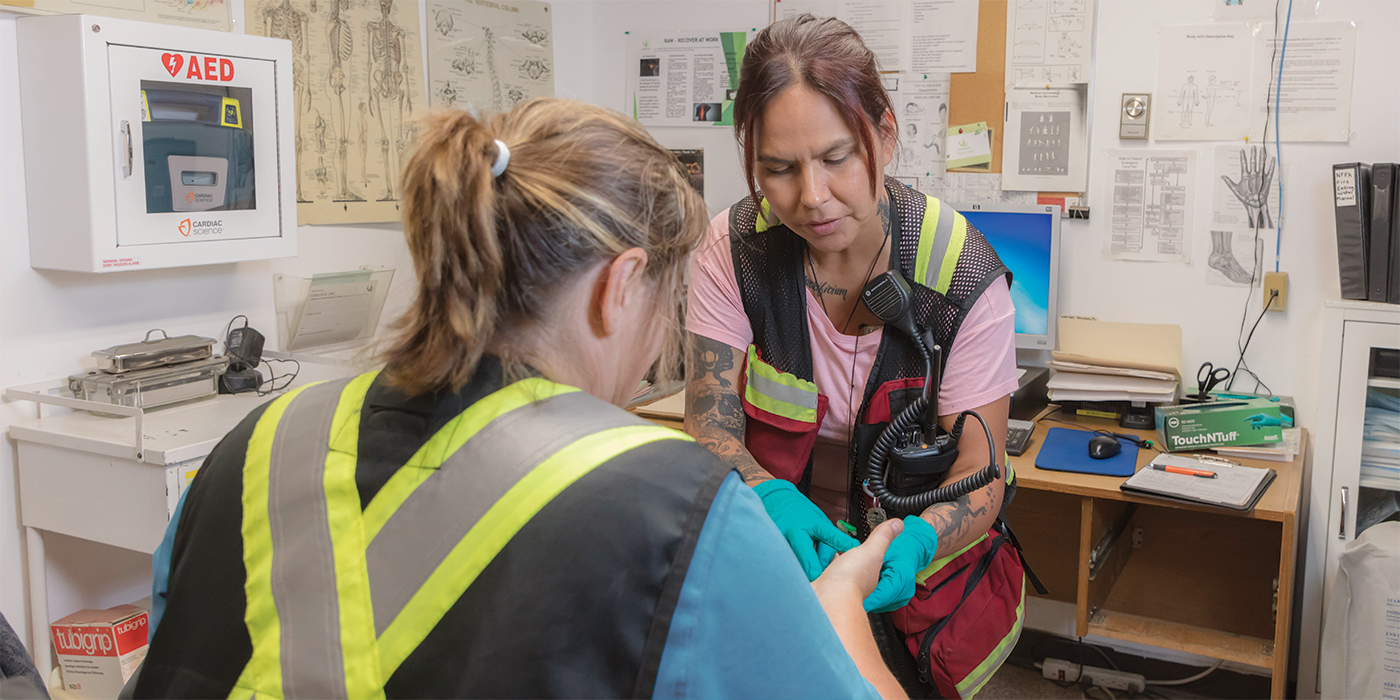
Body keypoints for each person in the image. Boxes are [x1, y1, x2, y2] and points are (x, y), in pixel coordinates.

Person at [134, 99, 908, 700]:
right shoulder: (681, 509)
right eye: (665, 306)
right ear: (619, 287)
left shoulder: (259, 444)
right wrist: (838, 614)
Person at [684, 15, 1032, 699]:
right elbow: (710, 426)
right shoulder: (734, 253)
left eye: (837, 158)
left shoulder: (963, 275)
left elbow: (981, 471)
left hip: (914, 574)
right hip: (778, 559)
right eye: (777, 169)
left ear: (886, 133)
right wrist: (768, 494)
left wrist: (922, 541)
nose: (810, 197)